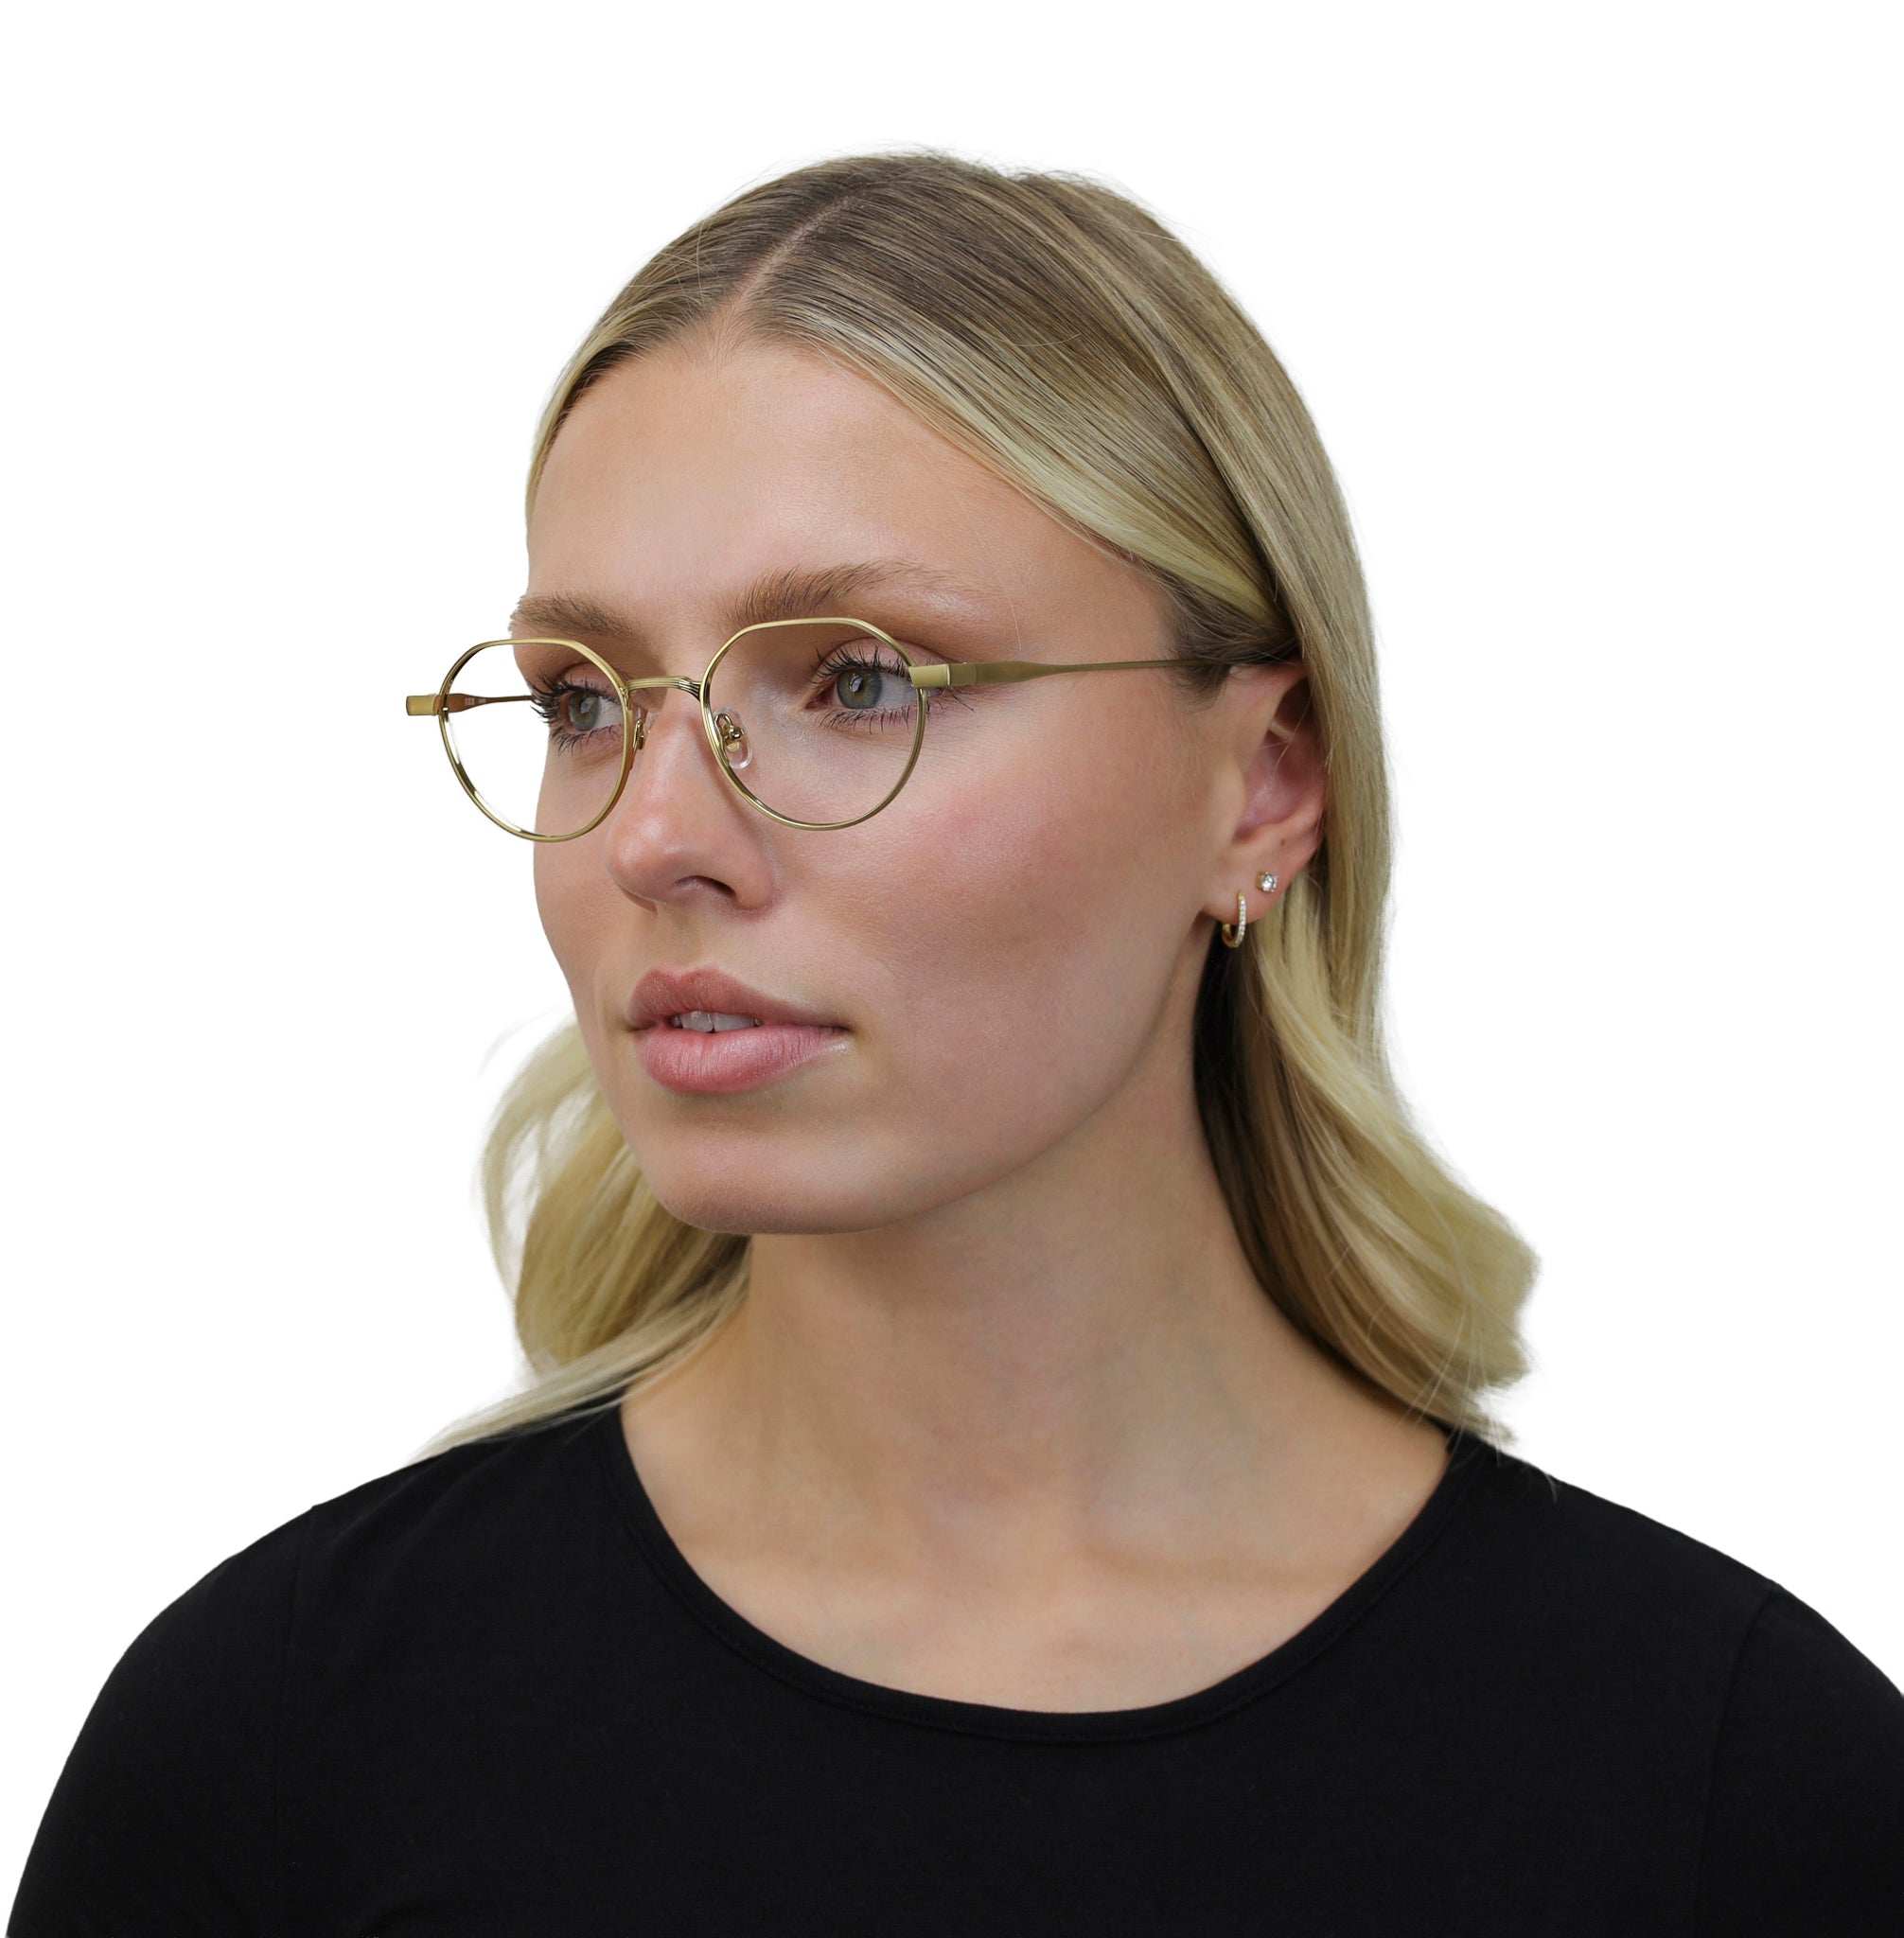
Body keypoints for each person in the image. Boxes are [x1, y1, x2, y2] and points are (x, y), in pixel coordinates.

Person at [12, 150, 1903, 1934]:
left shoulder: (1738, 1787)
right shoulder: (274, 1750)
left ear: (1264, 780)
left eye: (856, 679)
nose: (653, 834)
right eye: (585, 701)